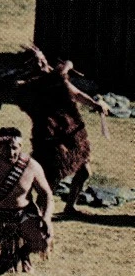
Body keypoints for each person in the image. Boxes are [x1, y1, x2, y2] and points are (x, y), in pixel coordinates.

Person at [14, 47, 108, 215]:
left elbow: (76, 94)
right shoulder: (29, 86)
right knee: (51, 178)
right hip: (50, 137)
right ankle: (36, 212)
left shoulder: (55, 78)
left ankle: (69, 207)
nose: (42, 63)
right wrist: (67, 66)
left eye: (42, 59)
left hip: (71, 132)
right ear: (29, 67)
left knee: (84, 171)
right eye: (36, 62)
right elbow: (54, 79)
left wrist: (95, 105)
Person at [0, 127, 54, 274]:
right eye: (5, 147)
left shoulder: (32, 166)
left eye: (14, 148)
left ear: (21, 147)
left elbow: (47, 195)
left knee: (44, 240)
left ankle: (22, 253)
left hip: (23, 215)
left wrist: (46, 218)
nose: (10, 152)